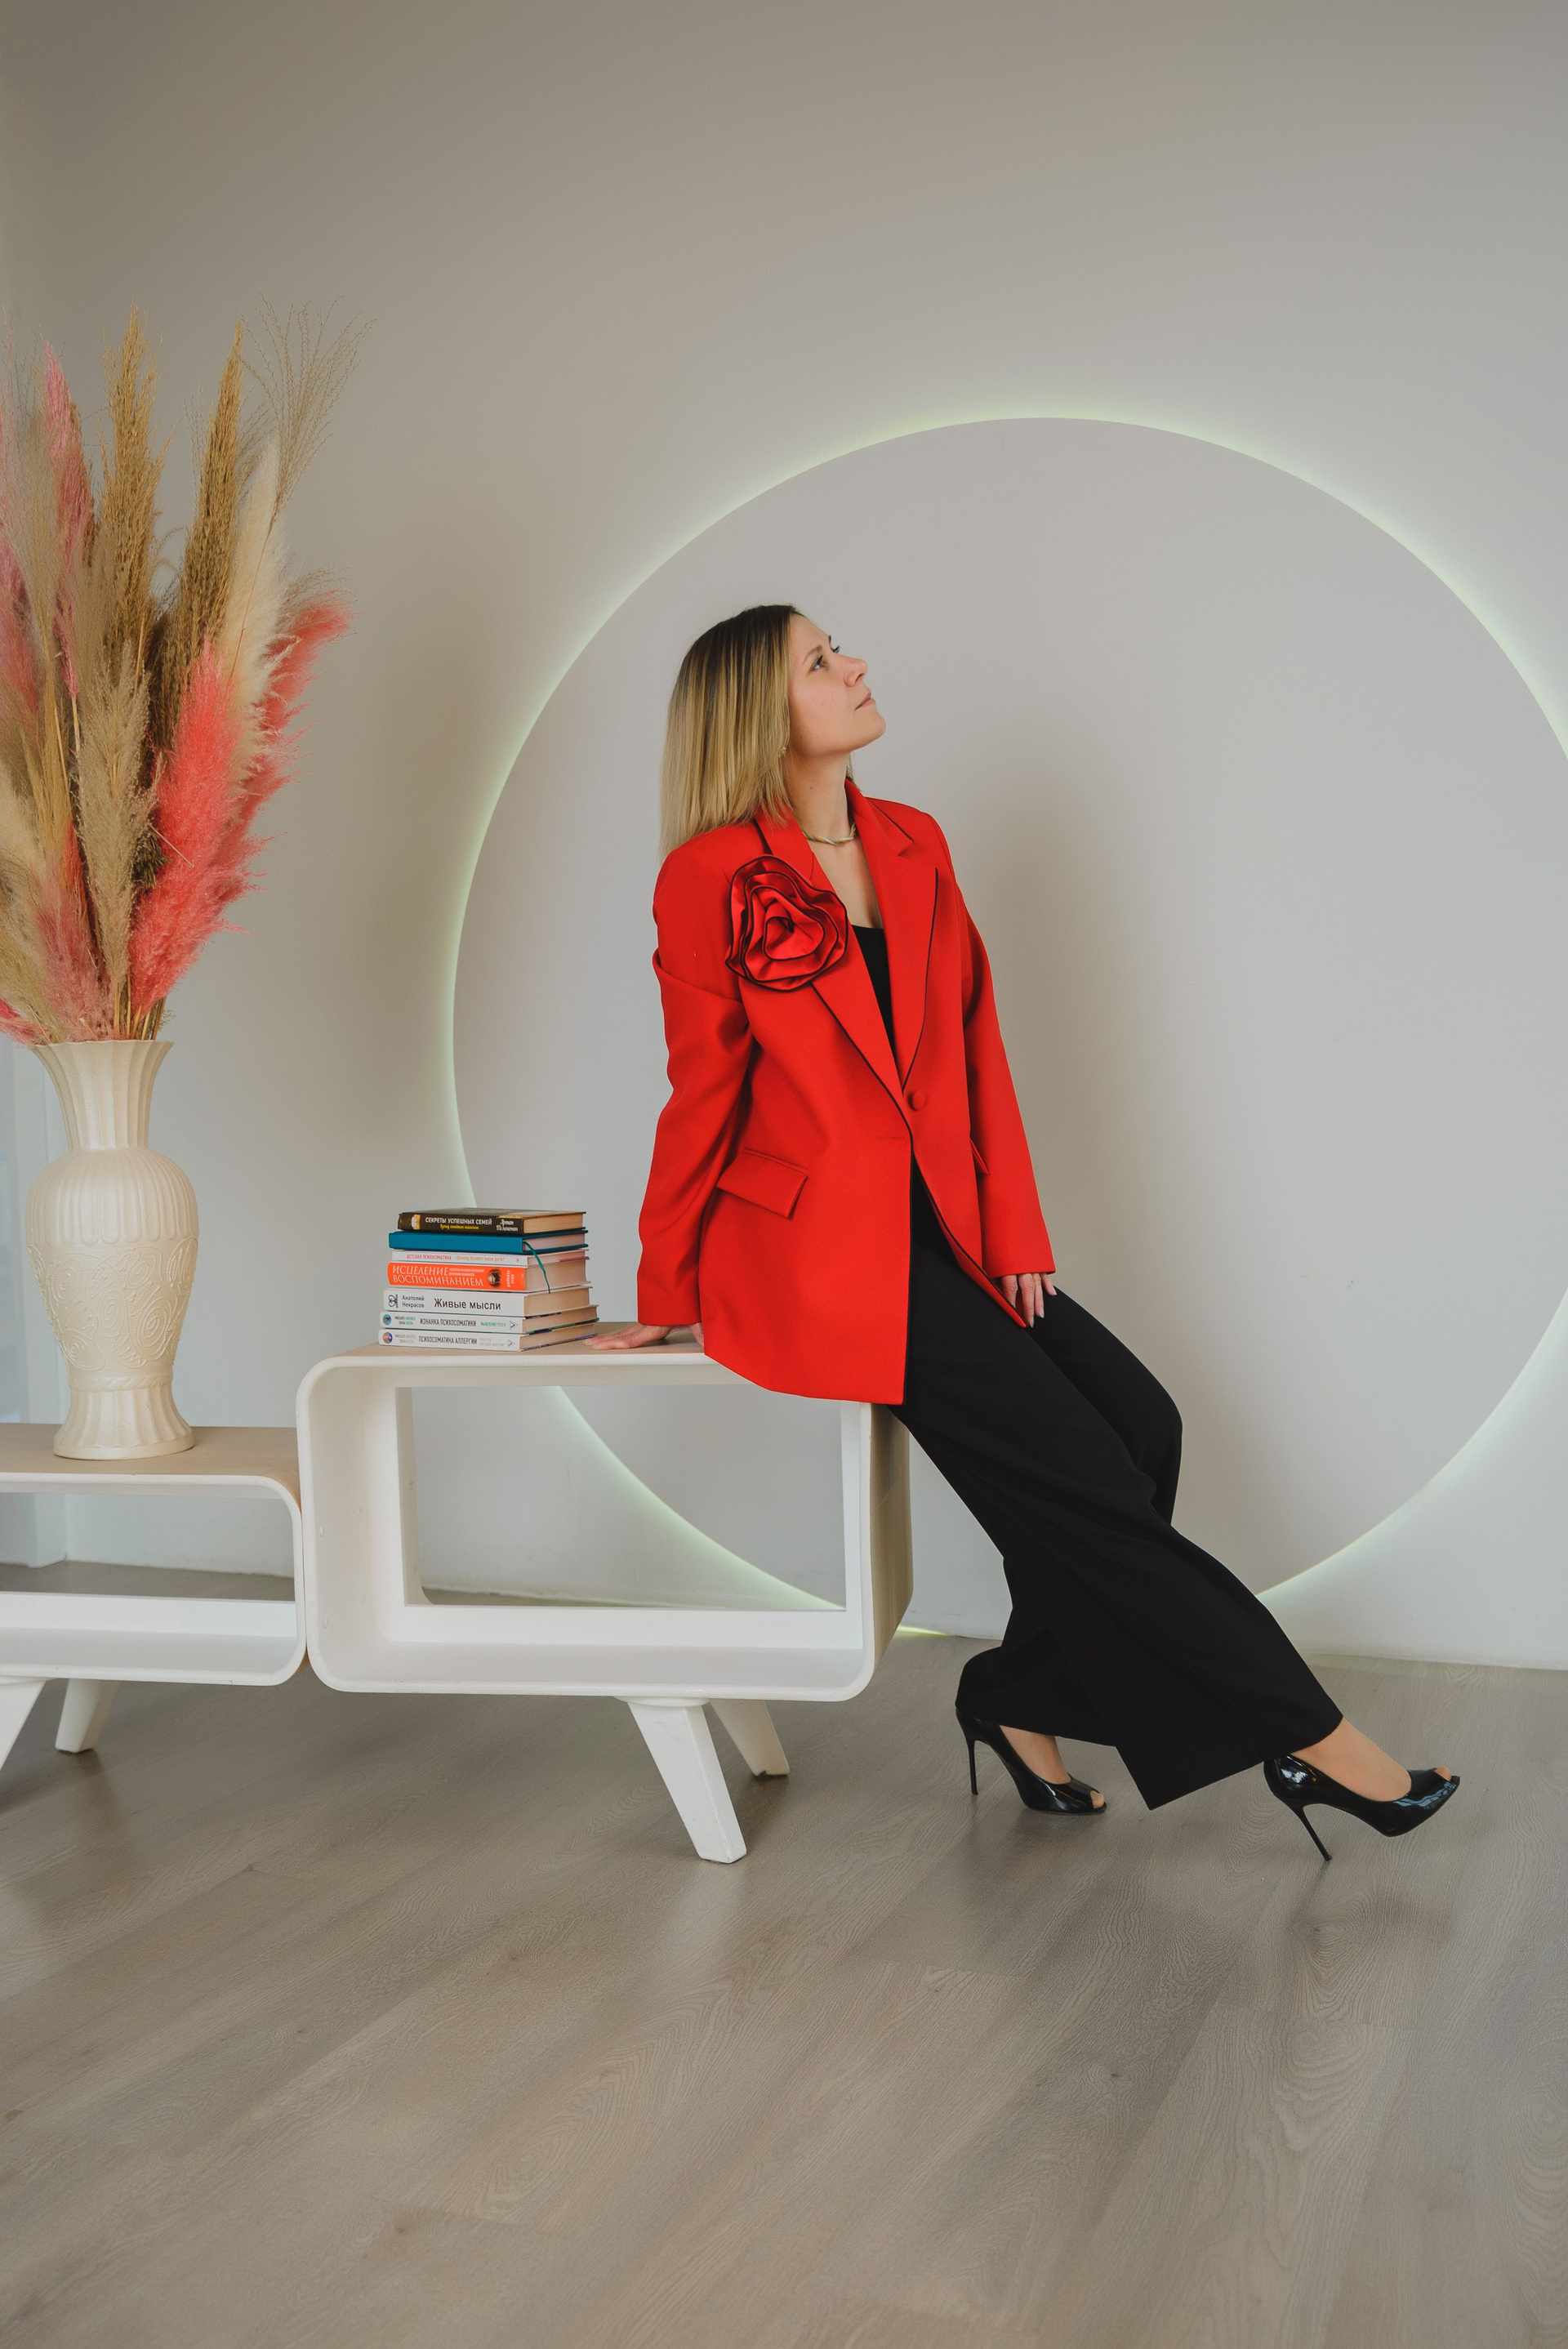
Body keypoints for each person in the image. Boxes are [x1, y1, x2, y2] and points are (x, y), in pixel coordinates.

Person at [590, 604, 1459, 1857]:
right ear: (760, 715)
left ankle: (1015, 1697)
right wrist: (665, 1288)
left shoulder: (913, 841)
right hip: (823, 1255)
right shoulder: (712, 874)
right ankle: (1320, 1746)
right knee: (1092, 1487)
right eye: (822, 662)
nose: (855, 664)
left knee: (1142, 1427)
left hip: (948, 1231)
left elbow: (972, 1048)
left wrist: (1014, 1230)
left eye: (840, 650)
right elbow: (702, 1091)